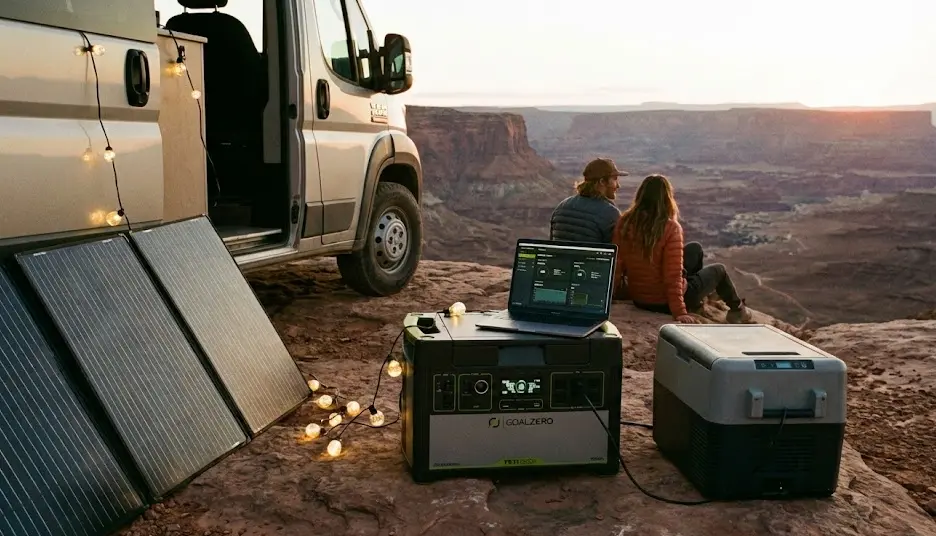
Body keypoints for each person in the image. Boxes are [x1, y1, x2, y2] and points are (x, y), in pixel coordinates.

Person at [612, 174, 753, 324]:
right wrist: (680, 312)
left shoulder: (625, 223)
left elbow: (617, 265)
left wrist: (610, 296)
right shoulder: (670, 228)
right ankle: (737, 310)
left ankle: (697, 300)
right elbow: (672, 276)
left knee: (694, 249)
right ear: (667, 198)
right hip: (664, 302)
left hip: (640, 298)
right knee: (719, 270)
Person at [549, 158, 627, 244]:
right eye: (615, 179)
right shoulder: (610, 213)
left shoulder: (561, 207)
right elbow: (618, 251)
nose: (618, 185)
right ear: (602, 182)